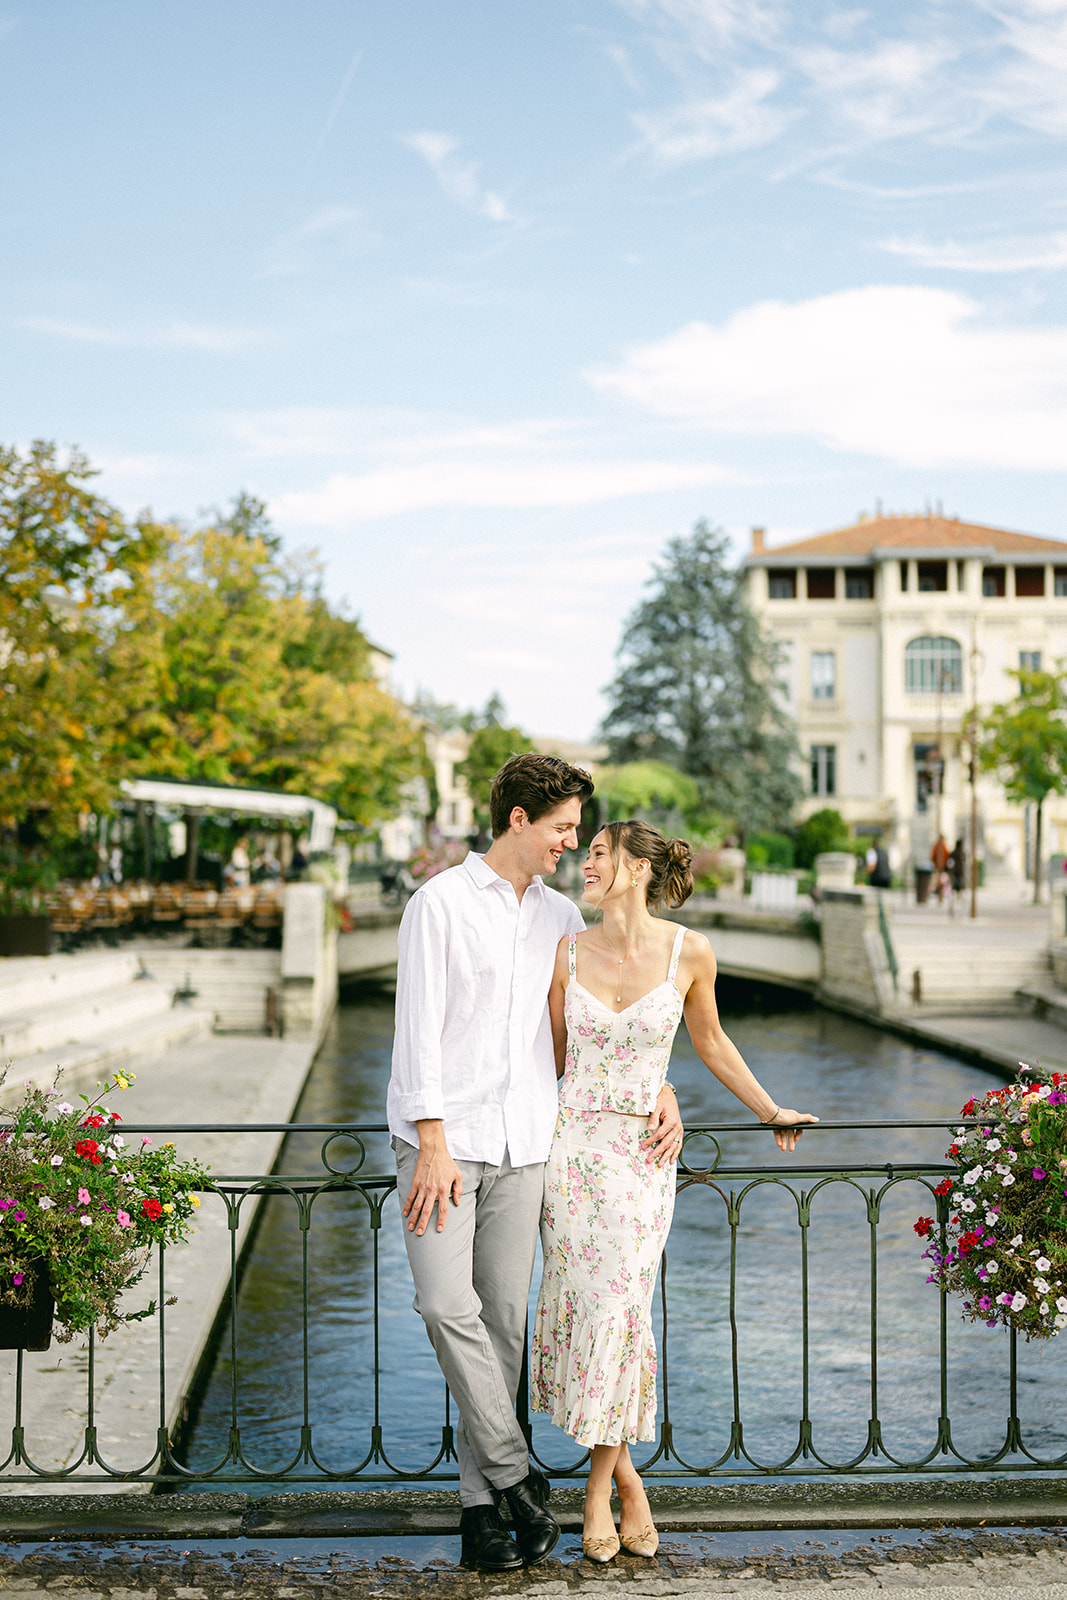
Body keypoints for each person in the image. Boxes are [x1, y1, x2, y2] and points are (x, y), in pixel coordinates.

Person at [387, 756, 684, 1573]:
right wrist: (433, 1142)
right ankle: (518, 1476)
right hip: (441, 1145)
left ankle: (481, 1513)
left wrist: (661, 1090)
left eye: (578, 830)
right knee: (446, 1305)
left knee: (505, 1328)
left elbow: (602, 1027)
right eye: (562, 827)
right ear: (518, 818)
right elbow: (416, 1031)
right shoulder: (438, 903)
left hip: (529, 1144)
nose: (572, 842)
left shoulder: (561, 918)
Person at [531, 821, 818, 1563]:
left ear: (633, 868)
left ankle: (596, 1489)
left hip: (641, 1159)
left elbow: (711, 1041)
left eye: (596, 854)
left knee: (619, 1310)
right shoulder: (563, 951)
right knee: (591, 1310)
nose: (584, 863)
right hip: (571, 1155)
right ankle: (626, 1482)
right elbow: (550, 1060)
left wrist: (768, 1109)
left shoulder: (689, 949)